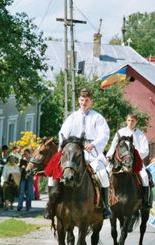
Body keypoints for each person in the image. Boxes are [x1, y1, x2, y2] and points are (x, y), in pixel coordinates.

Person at [47, 88, 111, 219]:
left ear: (91, 101)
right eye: (82, 100)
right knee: (53, 175)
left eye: (87, 100)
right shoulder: (72, 117)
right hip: (73, 154)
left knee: (103, 174)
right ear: (78, 101)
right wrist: (64, 148)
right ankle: (51, 206)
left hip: (91, 153)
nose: (84, 103)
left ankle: (105, 206)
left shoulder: (98, 118)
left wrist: (93, 144)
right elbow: (62, 134)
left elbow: (104, 135)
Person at [106, 113, 151, 209]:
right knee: (105, 174)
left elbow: (145, 150)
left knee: (145, 177)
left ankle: (145, 201)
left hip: (135, 162)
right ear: (126, 121)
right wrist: (109, 156)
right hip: (119, 161)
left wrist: (135, 156)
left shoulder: (140, 135)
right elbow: (113, 146)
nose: (130, 123)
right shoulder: (120, 132)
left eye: (133, 121)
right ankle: (105, 201)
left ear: (136, 122)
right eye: (129, 120)